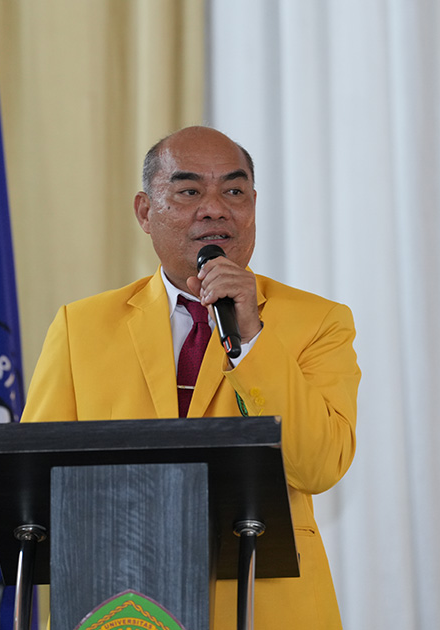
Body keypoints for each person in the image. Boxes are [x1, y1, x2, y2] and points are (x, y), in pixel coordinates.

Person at [22, 125, 360, 628]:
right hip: (120, 603)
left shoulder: (319, 322)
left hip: (265, 604)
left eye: (234, 191)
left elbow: (320, 465)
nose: (215, 209)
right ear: (144, 212)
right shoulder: (82, 327)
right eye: (189, 191)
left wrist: (252, 338)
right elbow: (36, 483)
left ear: (253, 206)